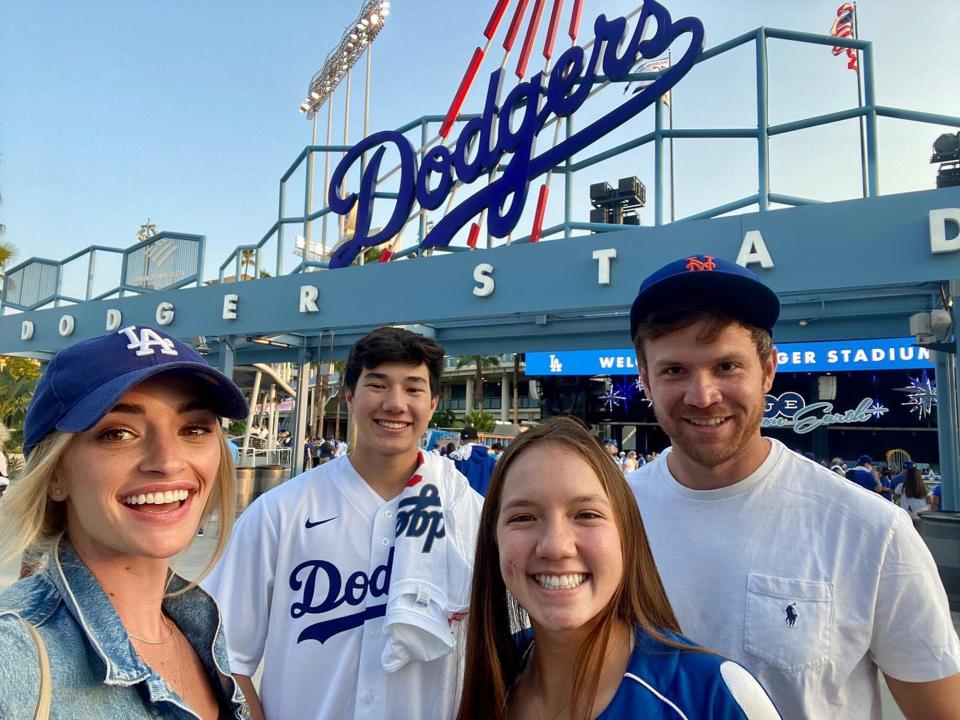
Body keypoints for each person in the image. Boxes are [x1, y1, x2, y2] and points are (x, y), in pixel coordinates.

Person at [626, 255, 960, 719]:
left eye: (726, 366)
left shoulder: (871, 530)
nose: (702, 396)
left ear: (767, 371)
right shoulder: (610, 515)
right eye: (674, 370)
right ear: (645, 379)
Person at [204, 326, 484, 720]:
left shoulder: (471, 513)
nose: (395, 403)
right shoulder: (280, 512)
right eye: (378, 385)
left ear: (433, 402)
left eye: (414, 389)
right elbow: (222, 655)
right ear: (350, 395)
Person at [0, 325, 250, 719]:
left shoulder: (201, 627)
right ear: (55, 475)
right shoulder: (13, 658)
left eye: (194, 429)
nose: (167, 461)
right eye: (118, 433)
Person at [457, 416, 781, 720]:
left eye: (586, 515)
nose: (555, 546)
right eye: (523, 518)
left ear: (626, 534)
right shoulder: (481, 678)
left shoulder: (712, 696)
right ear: (494, 539)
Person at [453, 427, 496, 496]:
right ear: (477, 440)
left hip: (465, 501)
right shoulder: (491, 460)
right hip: (484, 501)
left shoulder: (458, 459)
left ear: (461, 440)